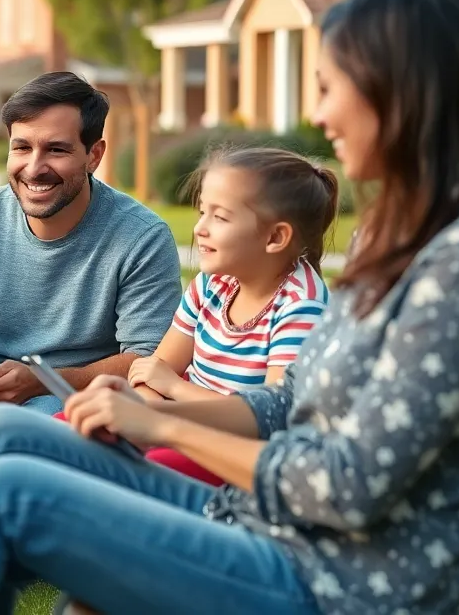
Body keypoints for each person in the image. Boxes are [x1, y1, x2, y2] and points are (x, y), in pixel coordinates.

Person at [0, 0, 459, 614]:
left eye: (331, 87)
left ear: (403, 94)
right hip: (271, 528)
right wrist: (134, 398)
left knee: (7, 494)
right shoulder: (404, 239)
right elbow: (285, 403)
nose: (320, 113)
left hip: (338, 581)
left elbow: (346, 487)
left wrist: (161, 422)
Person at [0, 71, 182, 499]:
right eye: (21, 147)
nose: (34, 167)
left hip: (69, 393)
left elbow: (147, 361)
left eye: (56, 150)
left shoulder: (140, 236)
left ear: (93, 155)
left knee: (38, 430)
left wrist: (38, 379)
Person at [52, 146, 336, 486]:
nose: (200, 228)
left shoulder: (299, 307)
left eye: (220, 217)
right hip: (176, 420)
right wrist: (132, 418)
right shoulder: (213, 283)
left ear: (275, 237)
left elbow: (270, 417)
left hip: (227, 451)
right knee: (64, 424)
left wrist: (171, 394)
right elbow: (152, 370)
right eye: (203, 212)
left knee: (120, 467)